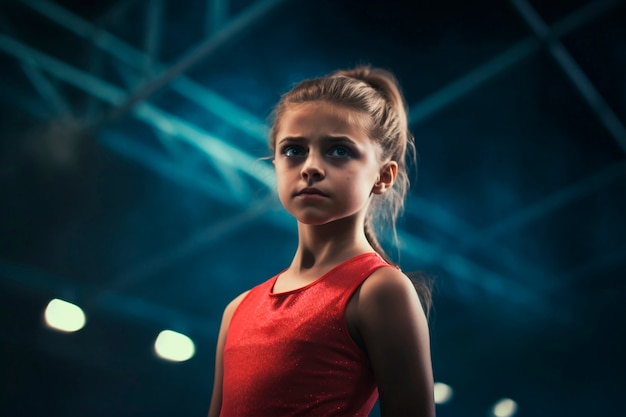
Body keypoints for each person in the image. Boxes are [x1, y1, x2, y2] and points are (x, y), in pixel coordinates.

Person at [208, 65, 435, 417]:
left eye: (339, 151)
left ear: (383, 176)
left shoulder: (380, 291)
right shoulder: (236, 310)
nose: (310, 166)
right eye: (294, 150)